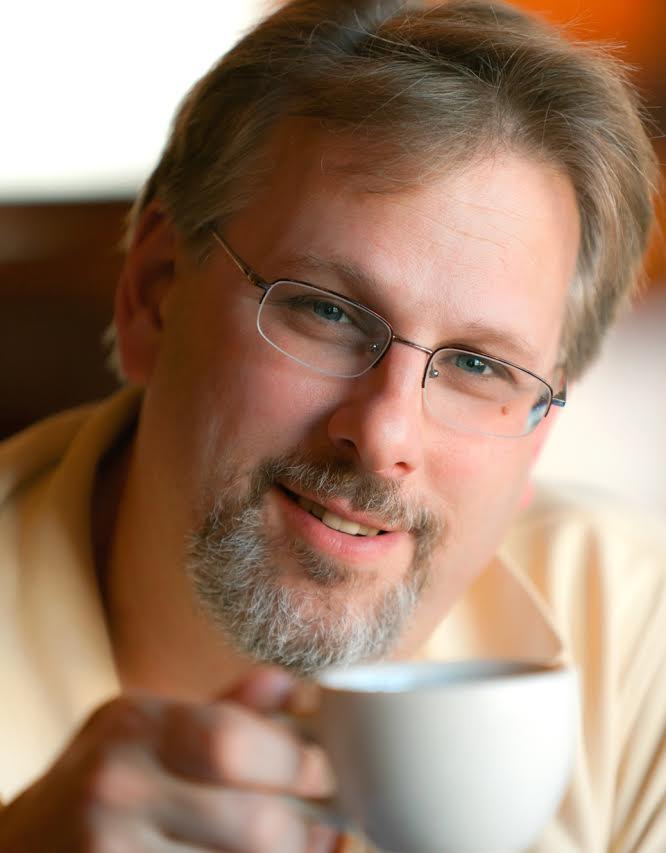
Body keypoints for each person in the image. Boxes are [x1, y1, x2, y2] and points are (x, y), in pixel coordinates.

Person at [0, 0, 664, 849]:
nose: (385, 436)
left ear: (537, 434)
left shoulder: (639, 636)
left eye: (477, 366)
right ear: (154, 293)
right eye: (327, 311)